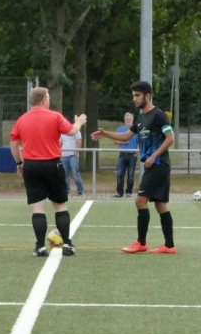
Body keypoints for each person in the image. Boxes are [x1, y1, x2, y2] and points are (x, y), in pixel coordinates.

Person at [92, 82, 176, 254]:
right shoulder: (141, 118)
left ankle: (141, 243)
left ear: (147, 96)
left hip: (158, 165)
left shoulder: (159, 115)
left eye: (137, 95)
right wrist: (105, 133)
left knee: (140, 201)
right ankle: (169, 246)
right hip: (153, 166)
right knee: (160, 204)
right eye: (133, 96)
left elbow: (170, 138)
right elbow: (125, 137)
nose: (134, 99)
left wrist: (154, 156)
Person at [9, 87, 86, 257]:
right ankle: (67, 245)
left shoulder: (22, 120)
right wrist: (79, 122)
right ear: (44, 100)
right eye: (48, 98)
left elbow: (13, 144)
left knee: (38, 208)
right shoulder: (54, 116)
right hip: (52, 164)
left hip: (31, 166)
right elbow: (72, 131)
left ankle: (40, 247)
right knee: (60, 206)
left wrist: (19, 163)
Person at [114, 112, 138, 197]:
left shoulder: (136, 129)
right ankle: (119, 192)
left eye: (129, 119)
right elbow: (115, 141)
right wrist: (124, 142)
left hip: (132, 155)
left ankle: (129, 192)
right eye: (127, 119)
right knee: (120, 174)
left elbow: (140, 142)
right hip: (123, 154)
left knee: (131, 175)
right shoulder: (120, 129)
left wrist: (136, 152)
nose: (128, 120)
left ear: (132, 119)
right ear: (124, 120)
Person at [60, 131, 85, 196]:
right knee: (65, 174)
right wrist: (60, 152)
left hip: (73, 156)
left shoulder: (76, 131)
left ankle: (80, 189)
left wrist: (76, 153)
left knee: (75, 173)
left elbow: (79, 141)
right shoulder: (62, 132)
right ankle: (66, 190)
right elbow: (60, 143)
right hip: (64, 155)